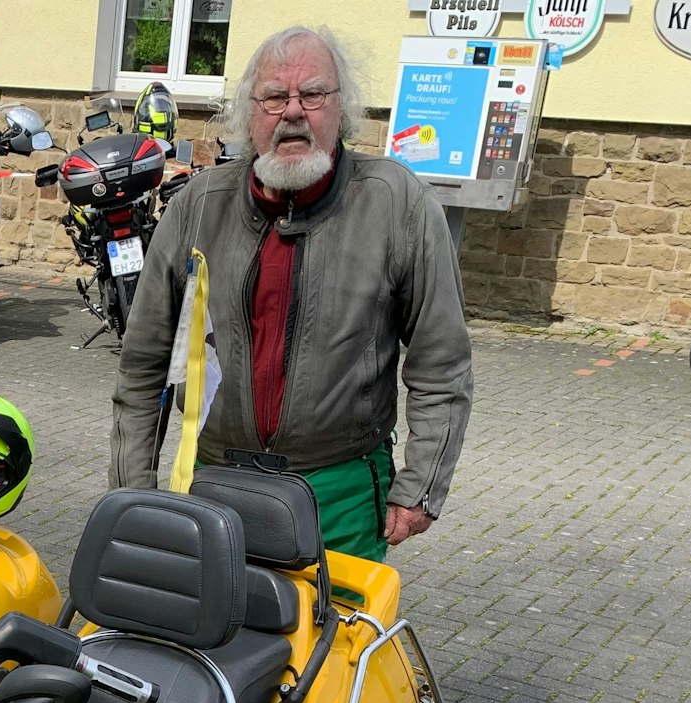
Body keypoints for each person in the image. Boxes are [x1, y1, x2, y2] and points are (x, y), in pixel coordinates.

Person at [112, 26, 472, 562]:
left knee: (333, 645)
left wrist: (421, 485)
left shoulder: (398, 204)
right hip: (213, 489)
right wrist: (131, 490)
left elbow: (441, 363)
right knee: (208, 643)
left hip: (340, 497)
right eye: (275, 97)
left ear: (341, 108)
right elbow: (143, 365)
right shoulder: (198, 206)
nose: (294, 112)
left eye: (313, 94)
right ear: (249, 115)